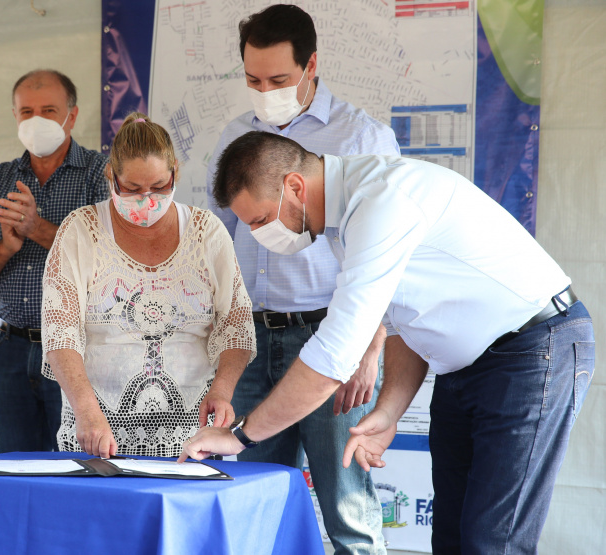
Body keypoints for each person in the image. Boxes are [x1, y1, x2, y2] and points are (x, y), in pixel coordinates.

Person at [183, 131, 594, 555]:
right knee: (451, 538)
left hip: (531, 350)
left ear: (295, 187)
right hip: (466, 369)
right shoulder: (344, 221)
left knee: (491, 542)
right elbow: (402, 323)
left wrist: (240, 436)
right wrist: (389, 411)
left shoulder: (380, 202)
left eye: (260, 220)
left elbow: (333, 357)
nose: (256, 235)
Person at [205, 5, 398, 553]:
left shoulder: (362, 137)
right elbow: (216, 242)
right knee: (251, 501)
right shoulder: (236, 135)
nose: (264, 93)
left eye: (278, 80)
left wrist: (371, 345)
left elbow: (386, 263)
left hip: (332, 337)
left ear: (311, 65)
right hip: (250, 339)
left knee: (347, 506)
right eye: (253, 81)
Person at [41, 113, 256, 458]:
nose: (146, 199)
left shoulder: (207, 231)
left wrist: (223, 389)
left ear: (175, 173)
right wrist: (85, 410)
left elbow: (236, 323)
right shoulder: (80, 230)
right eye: (132, 189)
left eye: (158, 187)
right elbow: (60, 332)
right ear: (111, 176)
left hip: (193, 436)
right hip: (98, 431)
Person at [0, 69, 108, 452]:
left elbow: (110, 262)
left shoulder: (99, 173)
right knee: (13, 468)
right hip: (11, 347)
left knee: (80, 465)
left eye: (48, 110)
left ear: (72, 115)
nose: (36, 120)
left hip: (79, 347)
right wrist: (6, 247)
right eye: (26, 112)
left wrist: (36, 227)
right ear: (15, 116)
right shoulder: (0, 178)